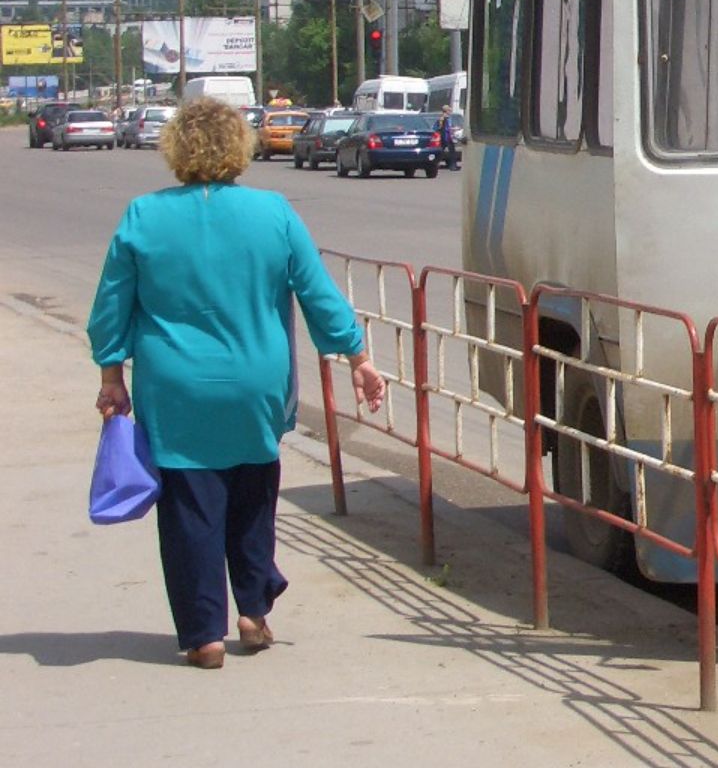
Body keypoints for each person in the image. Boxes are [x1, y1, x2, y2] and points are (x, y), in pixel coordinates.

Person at [86, 100, 386, 670]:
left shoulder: (143, 217)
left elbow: (111, 308)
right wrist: (357, 356)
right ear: (239, 147)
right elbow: (317, 294)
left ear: (174, 148)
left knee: (189, 509)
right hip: (256, 384)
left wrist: (111, 374)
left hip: (175, 389)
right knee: (253, 493)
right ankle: (252, 607)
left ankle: (204, 635)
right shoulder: (273, 213)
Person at [436, 105, 461, 170]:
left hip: (444, 137)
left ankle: (435, 164)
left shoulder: (443, 117)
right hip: (446, 137)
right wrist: (453, 129)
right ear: (446, 111)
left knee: (441, 152)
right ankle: (453, 166)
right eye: (449, 110)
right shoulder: (444, 118)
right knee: (452, 152)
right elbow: (445, 128)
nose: (451, 112)